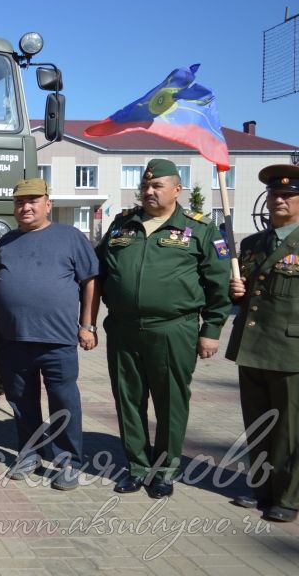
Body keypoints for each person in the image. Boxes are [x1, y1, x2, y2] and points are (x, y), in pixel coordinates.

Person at [96, 158, 231, 498]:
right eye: (145, 186)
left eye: (157, 186)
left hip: (173, 328)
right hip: (124, 328)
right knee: (128, 399)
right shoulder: (121, 225)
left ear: (177, 190)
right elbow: (95, 270)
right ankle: (137, 466)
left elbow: (219, 284)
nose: (149, 191)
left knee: (170, 400)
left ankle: (165, 470)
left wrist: (212, 329)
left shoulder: (199, 229)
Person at [0, 179, 99, 490]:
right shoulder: (6, 242)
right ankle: (30, 454)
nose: (26, 207)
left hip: (58, 340)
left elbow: (90, 281)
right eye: (20, 201)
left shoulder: (70, 237)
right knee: (22, 402)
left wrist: (87, 325)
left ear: (47, 204)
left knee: (63, 402)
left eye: (33, 200)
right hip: (12, 338)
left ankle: (69, 462)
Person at [226, 164, 299, 522]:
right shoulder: (254, 243)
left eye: (288, 195)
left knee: (289, 430)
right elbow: (250, 296)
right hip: (252, 346)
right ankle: (262, 489)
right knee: (259, 425)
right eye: (274, 194)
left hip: (291, 351)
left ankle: (287, 498)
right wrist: (235, 293)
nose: (280, 200)